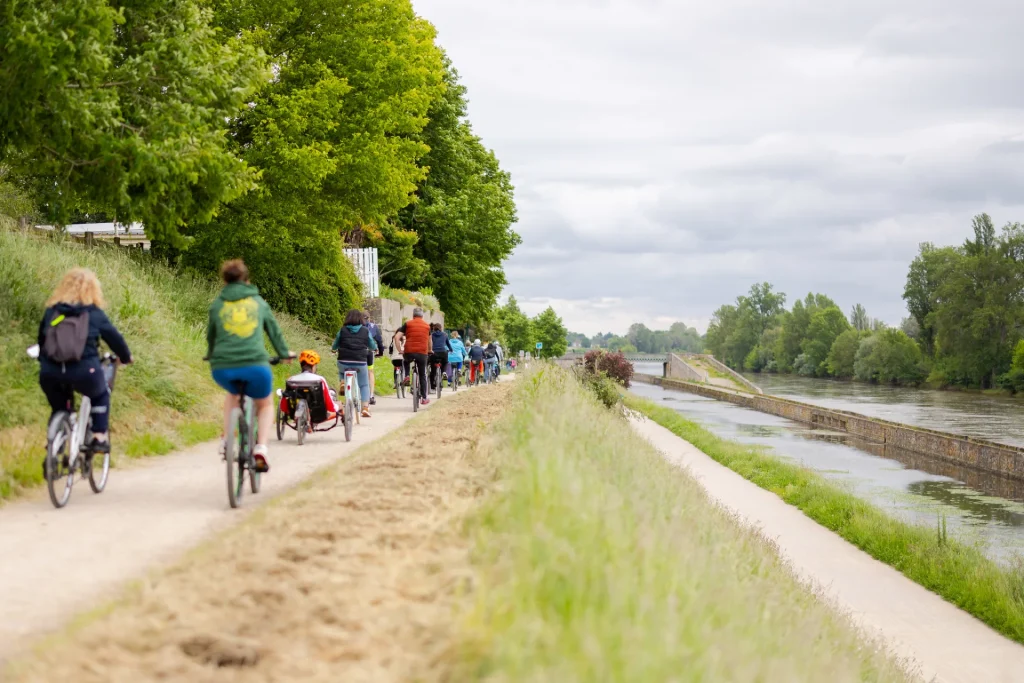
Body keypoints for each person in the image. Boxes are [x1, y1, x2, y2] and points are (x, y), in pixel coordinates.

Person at [37, 268, 133, 464]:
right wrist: (125, 357)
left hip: (51, 372)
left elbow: (41, 340)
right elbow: (115, 340)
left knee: (59, 407)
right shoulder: (94, 314)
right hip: (84, 371)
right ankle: (98, 436)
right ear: (93, 290)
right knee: (100, 395)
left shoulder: (52, 311)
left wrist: (45, 362)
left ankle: (54, 447)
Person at [207, 260, 293, 473]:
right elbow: (274, 332)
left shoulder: (218, 304)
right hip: (256, 366)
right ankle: (261, 448)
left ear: (224, 280)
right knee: (264, 404)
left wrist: (211, 355)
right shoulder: (258, 303)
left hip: (223, 368)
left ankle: (227, 439)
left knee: (232, 395)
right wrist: (284, 354)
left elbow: (211, 335)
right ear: (247, 279)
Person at [332, 309, 377, 418]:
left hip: (343, 360)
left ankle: (342, 381)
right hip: (360, 362)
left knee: (341, 370)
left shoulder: (342, 330)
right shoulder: (365, 331)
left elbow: (335, 345)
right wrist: (375, 348)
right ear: (361, 319)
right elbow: (372, 345)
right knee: (364, 384)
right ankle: (365, 407)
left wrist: (334, 349)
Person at [284, 350, 340, 424]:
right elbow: (329, 402)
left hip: (294, 411)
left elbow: (285, 400)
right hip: (318, 413)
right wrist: (337, 407)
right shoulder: (320, 380)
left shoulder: (291, 379)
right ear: (313, 366)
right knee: (338, 403)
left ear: (301, 365)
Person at [395, 308, 431, 405]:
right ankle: (424, 398)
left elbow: (397, 337)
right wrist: (430, 350)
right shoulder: (427, 326)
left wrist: (400, 350)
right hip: (422, 353)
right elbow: (429, 341)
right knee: (422, 374)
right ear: (422, 316)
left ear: (413, 315)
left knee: (406, 361)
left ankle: (407, 375)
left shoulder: (407, 324)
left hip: (409, 351)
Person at [363, 311, 384, 405]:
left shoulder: (356, 325)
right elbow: (379, 341)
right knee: (370, 372)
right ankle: (371, 395)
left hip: (357, 352)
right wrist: (380, 352)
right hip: (369, 352)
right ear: (369, 318)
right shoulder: (373, 326)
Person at [428, 322, 452, 390]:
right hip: (443, 352)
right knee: (445, 362)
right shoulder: (445, 334)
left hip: (434, 353)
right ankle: (444, 372)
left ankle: (432, 386)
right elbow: (448, 344)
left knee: (433, 370)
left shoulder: (431, 335)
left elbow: (429, 343)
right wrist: (451, 350)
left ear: (434, 328)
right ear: (441, 328)